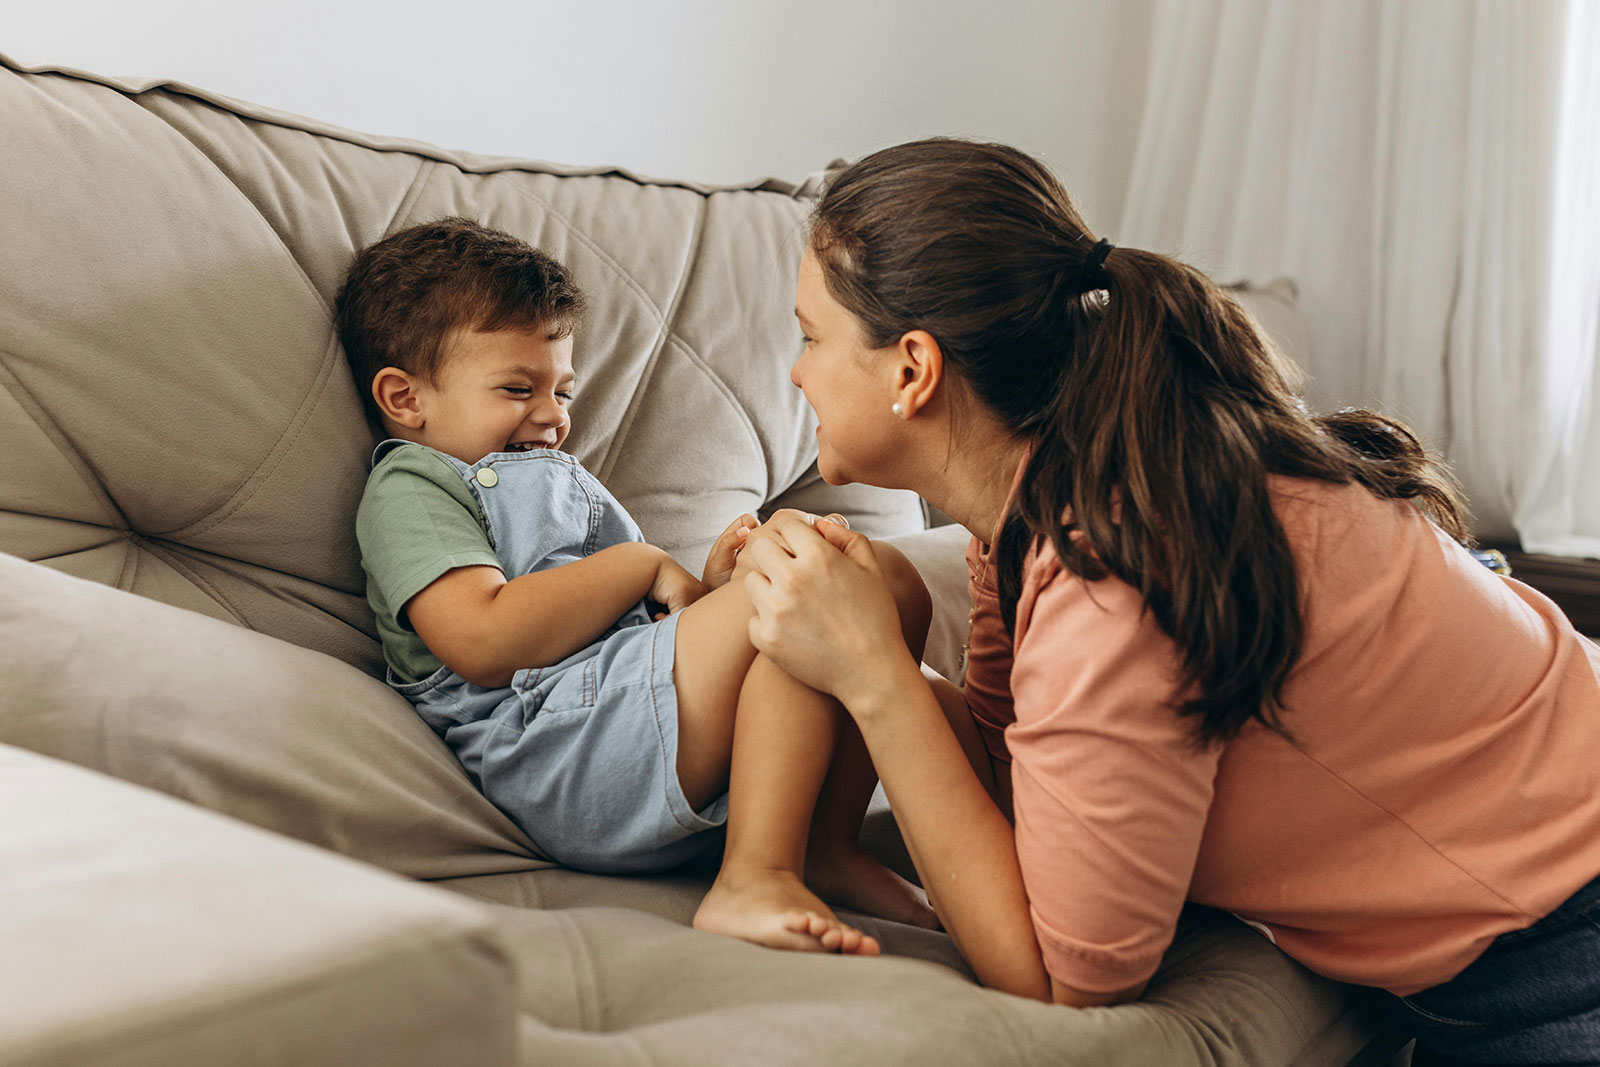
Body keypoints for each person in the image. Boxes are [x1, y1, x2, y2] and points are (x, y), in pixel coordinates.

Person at [730, 138, 1600, 1063]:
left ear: (913, 370)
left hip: (1563, 934)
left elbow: (1065, 980)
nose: (797, 373)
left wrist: (876, 676)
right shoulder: (1048, 506)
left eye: (812, 336)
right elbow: (1019, 777)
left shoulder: (1118, 563)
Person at [337, 217, 939, 955]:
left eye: (562, 390)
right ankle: (751, 876)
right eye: (517, 387)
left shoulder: (547, 474)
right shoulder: (413, 482)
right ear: (405, 399)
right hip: (557, 750)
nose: (553, 416)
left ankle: (822, 840)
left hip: (629, 713)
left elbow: (640, 630)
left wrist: (710, 586)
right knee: (802, 588)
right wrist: (639, 564)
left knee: (884, 581)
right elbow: (482, 637)